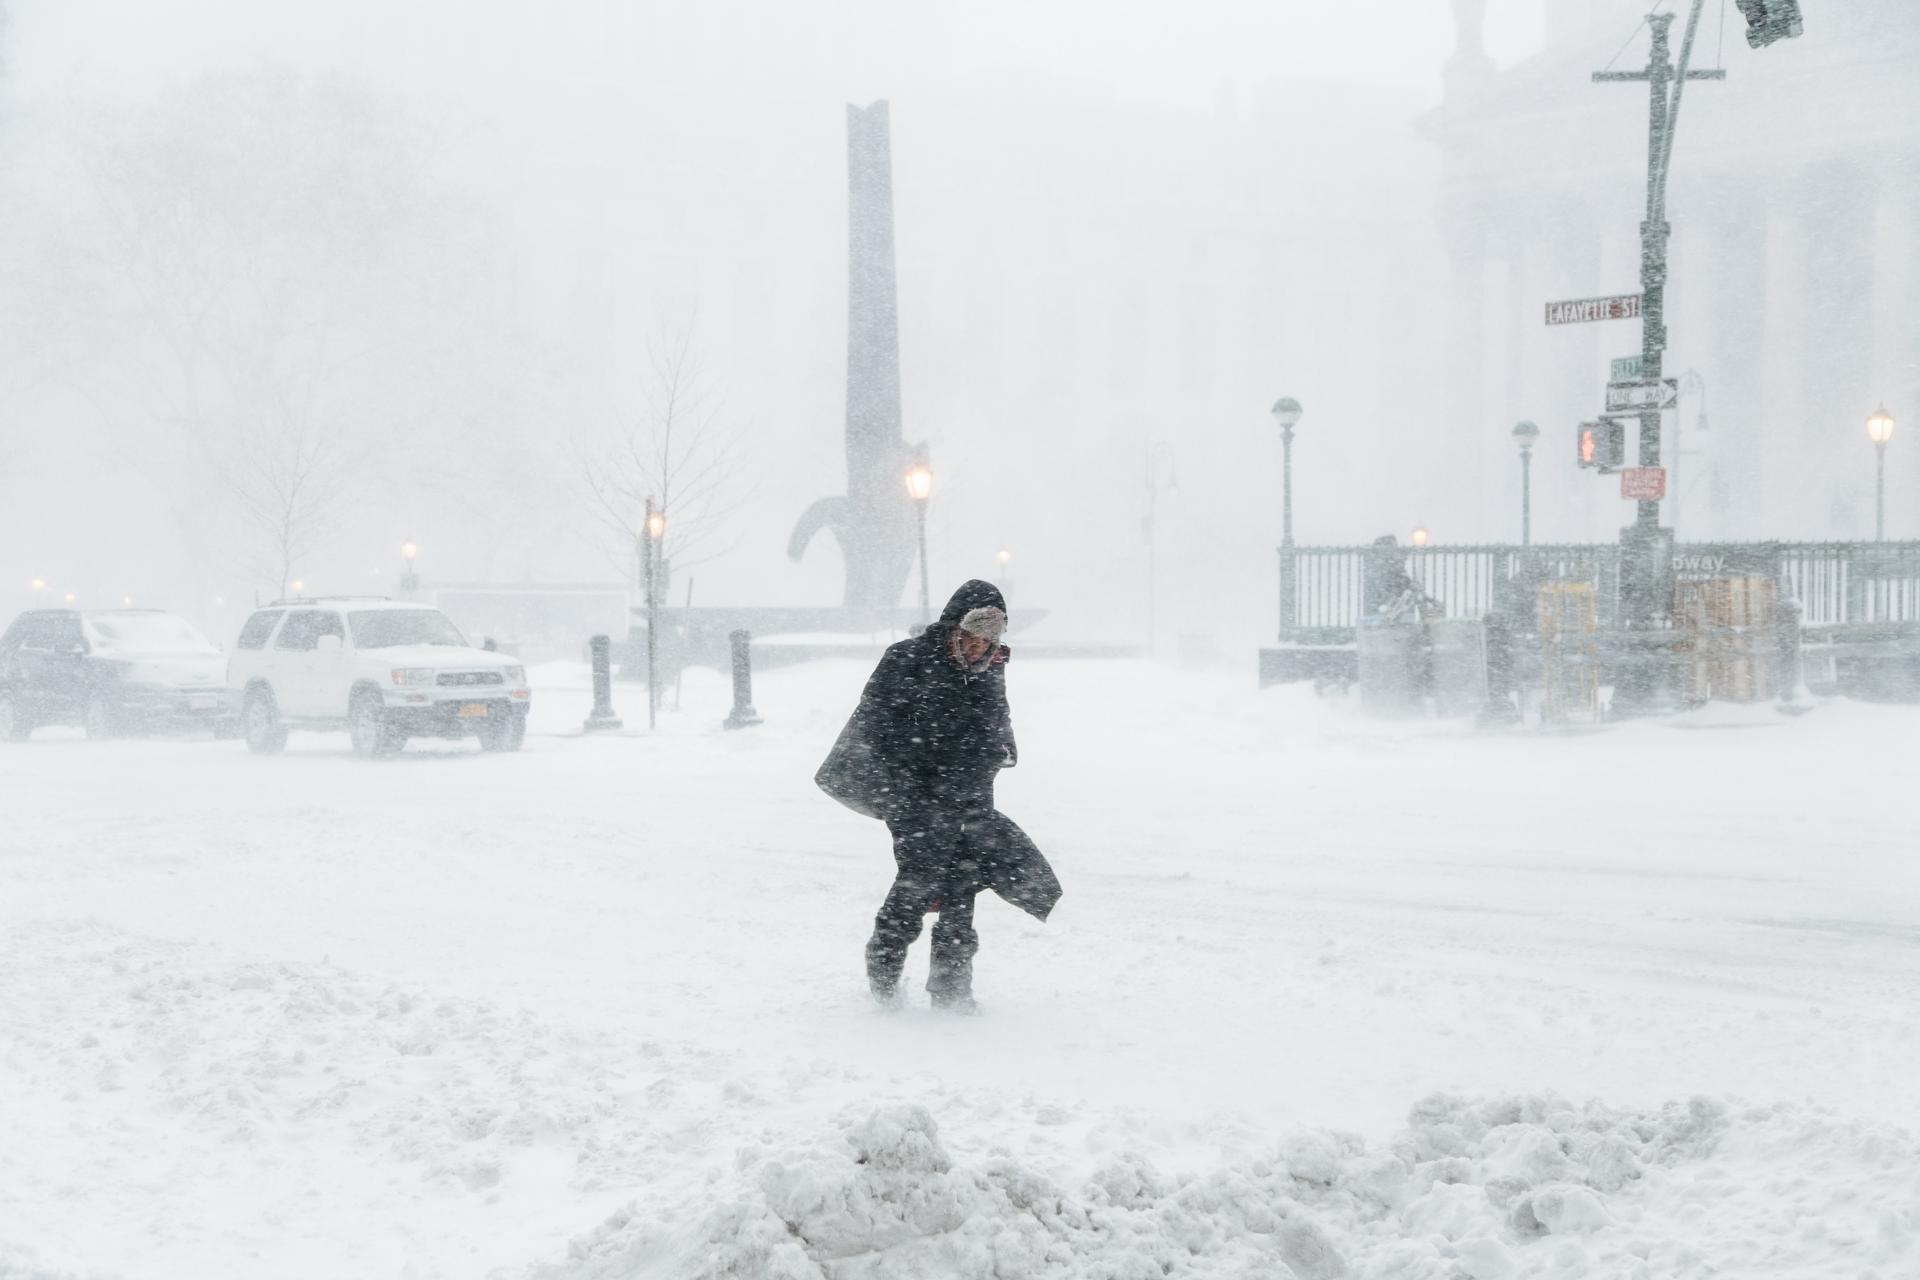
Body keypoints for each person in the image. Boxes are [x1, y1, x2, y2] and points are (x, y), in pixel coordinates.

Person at [814, 579, 1061, 1012]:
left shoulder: (990, 670)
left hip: (967, 795)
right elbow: (875, 725)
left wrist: (987, 760)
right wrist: (926, 759)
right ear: (953, 628)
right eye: (972, 638)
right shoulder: (907, 659)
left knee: (962, 888)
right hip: (911, 796)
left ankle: (952, 992)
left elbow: (997, 728)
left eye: (989, 641)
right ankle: (884, 969)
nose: (979, 649)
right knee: (919, 880)